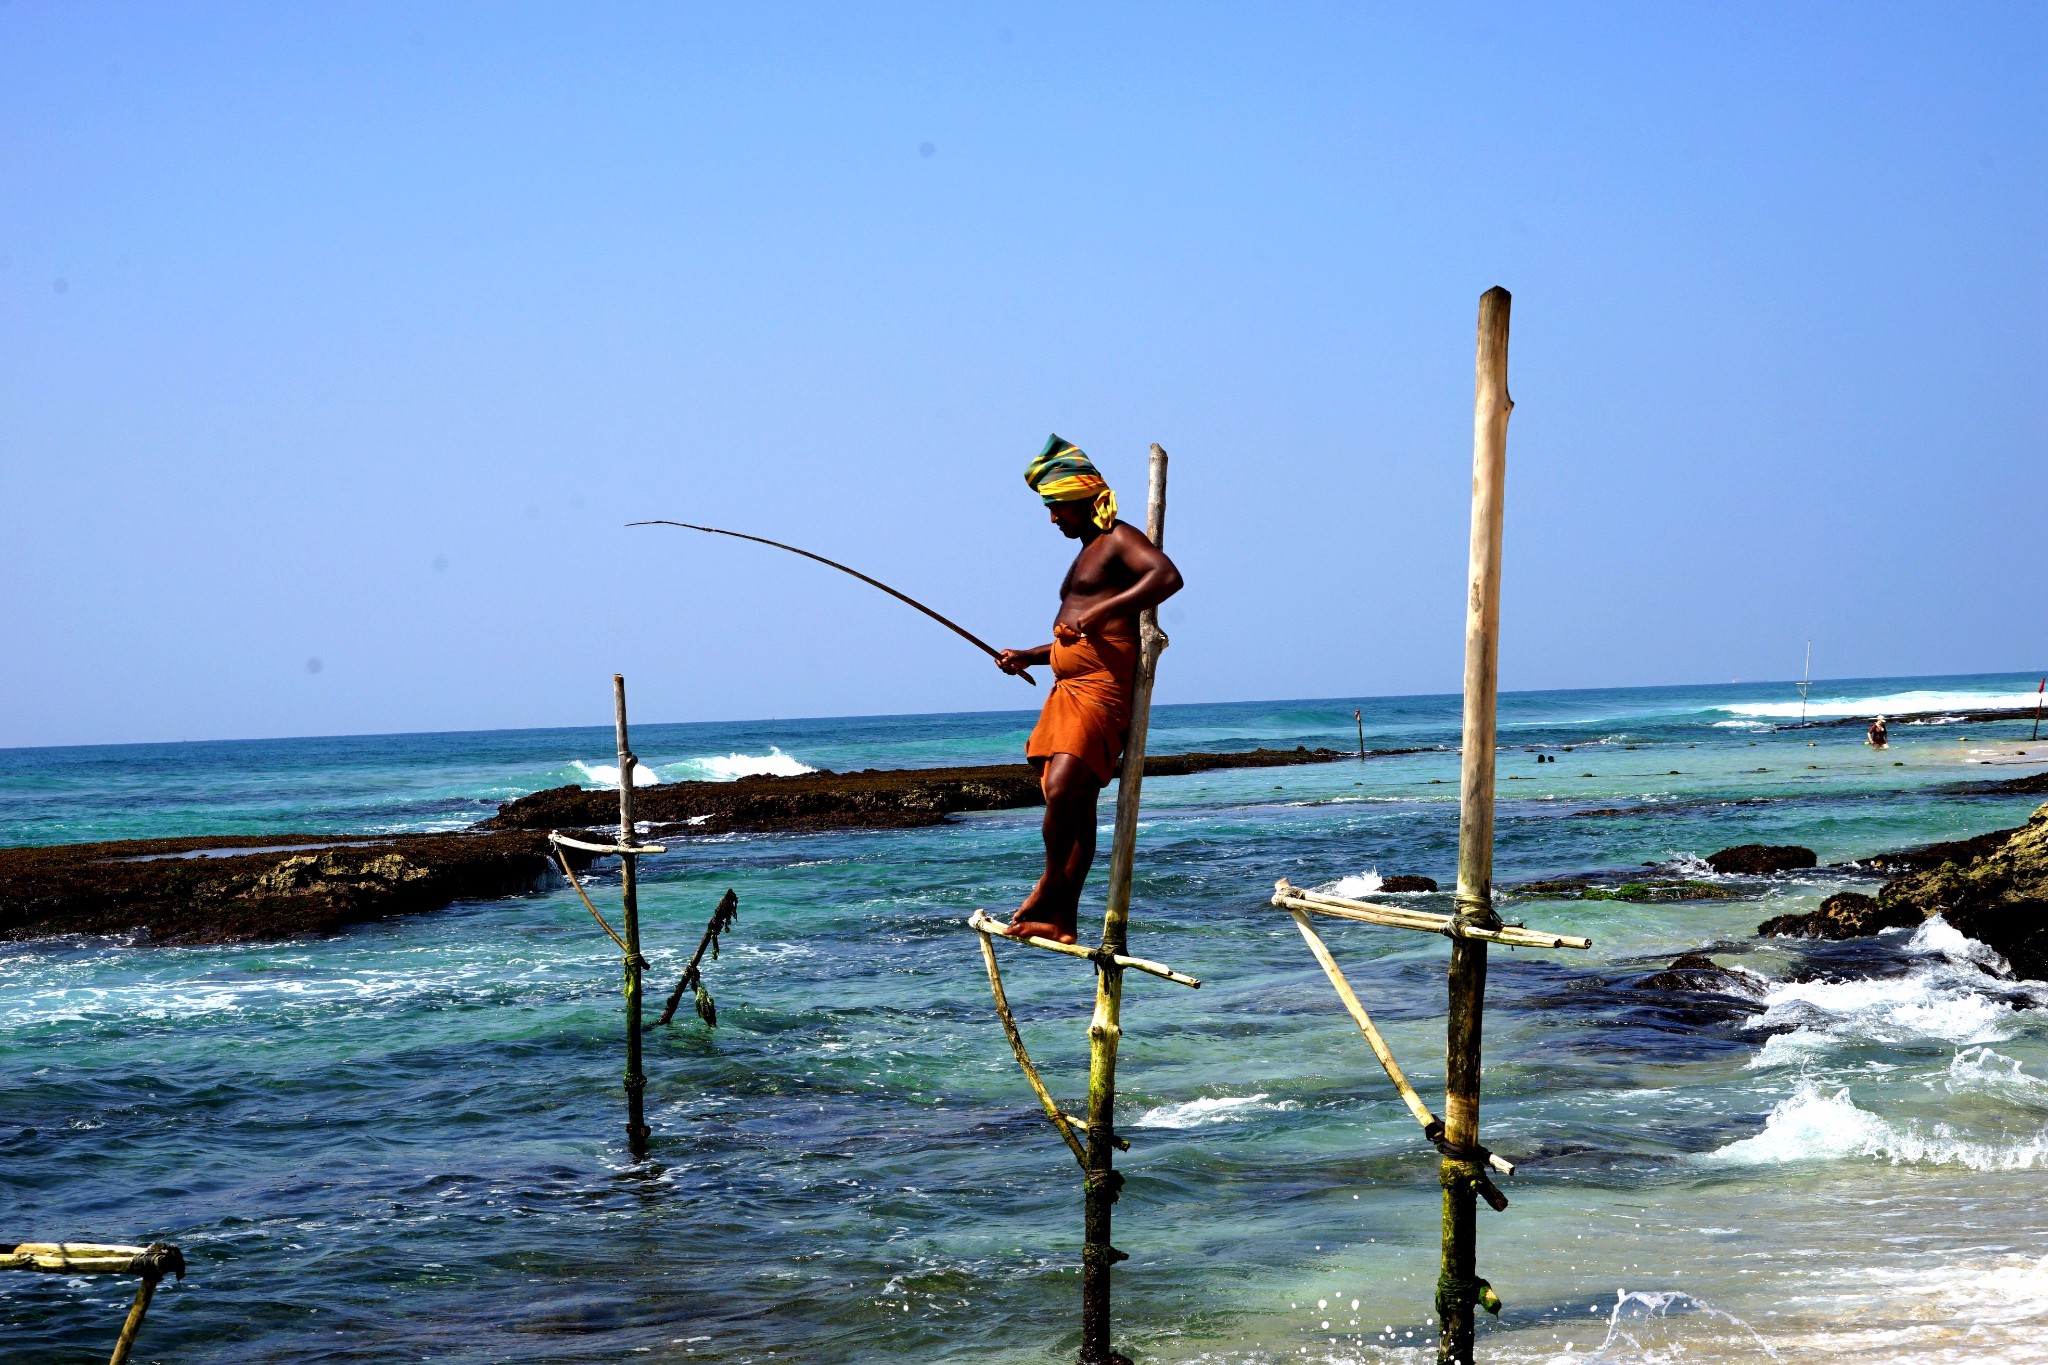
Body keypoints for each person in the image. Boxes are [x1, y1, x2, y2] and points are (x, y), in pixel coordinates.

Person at [994, 435, 1184, 944]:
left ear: (1084, 499)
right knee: (1074, 806)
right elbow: (1076, 633)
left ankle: (1051, 886)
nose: (1053, 519)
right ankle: (1062, 919)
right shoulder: (1087, 553)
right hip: (1067, 688)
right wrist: (1029, 656)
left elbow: (1167, 576)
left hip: (1100, 689)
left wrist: (1099, 612)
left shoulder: (1119, 538)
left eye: (1058, 508)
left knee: (1062, 791)